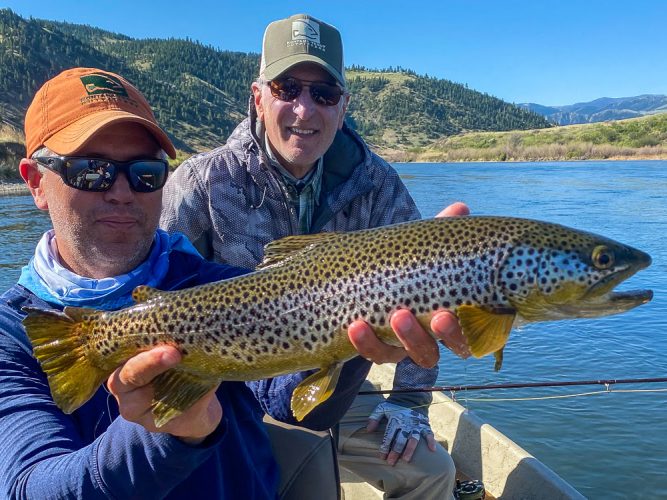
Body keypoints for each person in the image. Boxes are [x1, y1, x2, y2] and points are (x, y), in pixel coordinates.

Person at [0, 67, 458, 499]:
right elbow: (28, 486)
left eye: (145, 173)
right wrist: (166, 433)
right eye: (91, 170)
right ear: (36, 182)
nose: (121, 191)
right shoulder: (15, 330)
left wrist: (362, 326)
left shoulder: (217, 287)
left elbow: (293, 405)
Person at [161, 14, 470, 500]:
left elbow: (427, 299)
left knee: (431, 471)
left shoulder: (377, 185)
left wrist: (409, 401)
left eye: (323, 94)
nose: (305, 110)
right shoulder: (201, 182)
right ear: (259, 97)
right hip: (226, 385)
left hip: (337, 382)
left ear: (343, 107)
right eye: (288, 89)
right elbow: (157, 281)